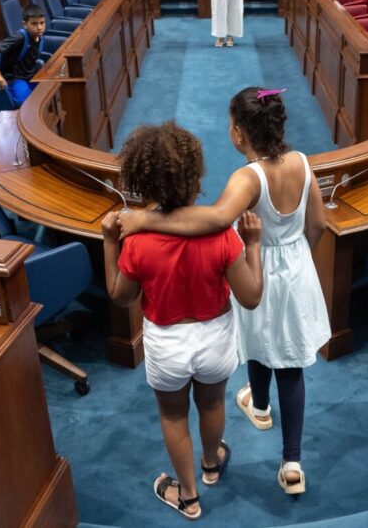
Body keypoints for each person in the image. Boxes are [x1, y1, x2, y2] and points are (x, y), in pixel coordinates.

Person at [118, 88, 329, 496]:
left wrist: (146, 219)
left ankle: (274, 430)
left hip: (259, 265)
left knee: (258, 341)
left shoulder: (247, 177)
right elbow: (317, 223)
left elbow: (215, 219)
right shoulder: (303, 162)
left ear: (237, 134)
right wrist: (297, 256)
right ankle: (283, 446)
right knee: (288, 358)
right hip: (296, 264)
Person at [101, 121, 265, 521]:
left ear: (141, 182)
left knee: (174, 415)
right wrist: (255, 245)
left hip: (166, 342)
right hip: (215, 337)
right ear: (196, 175)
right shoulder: (221, 233)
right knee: (211, 404)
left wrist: (109, 242)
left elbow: (121, 296)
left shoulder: (137, 238)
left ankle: (188, 496)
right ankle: (211, 464)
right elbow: (251, 296)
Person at [0, 3, 46, 106]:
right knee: (26, 102)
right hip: (14, 76)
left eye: (42, 23)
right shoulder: (19, 37)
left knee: (45, 94)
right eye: (34, 24)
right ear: (24, 24)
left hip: (29, 74)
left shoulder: (40, 36)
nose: (39, 27)